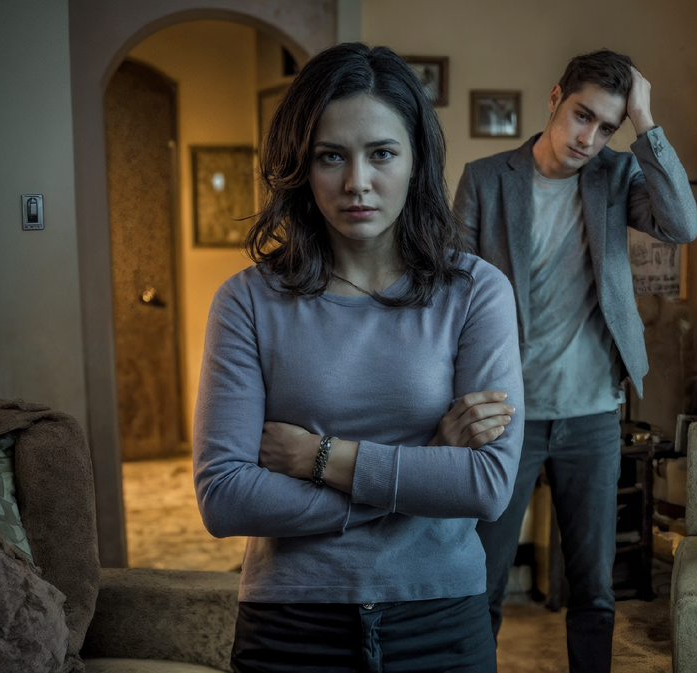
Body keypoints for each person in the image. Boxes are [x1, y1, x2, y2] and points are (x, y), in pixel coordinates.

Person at [192, 43, 523, 673]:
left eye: (381, 154)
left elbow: (485, 486)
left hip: (440, 617)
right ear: (301, 167)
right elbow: (225, 497)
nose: (356, 183)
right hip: (291, 623)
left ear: (416, 160)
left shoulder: (476, 291)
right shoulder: (247, 301)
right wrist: (426, 465)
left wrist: (320, 457)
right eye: (331, 156)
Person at [455, 49, 697, 671]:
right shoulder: (486, 179)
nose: (588, 138)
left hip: (592, 413)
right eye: (582, 115)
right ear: (555, 99)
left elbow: (681, 225)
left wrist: (645, 120)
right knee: (479, 583)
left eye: (606, 126)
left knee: (593, 590)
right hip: (504, 415)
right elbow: (452, 296)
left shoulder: (615, 174)